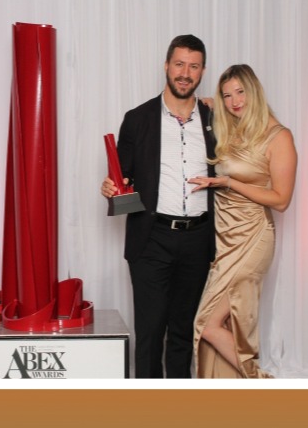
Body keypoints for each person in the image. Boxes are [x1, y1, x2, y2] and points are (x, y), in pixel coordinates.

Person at [100, 35, 217, 378]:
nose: (185, 73)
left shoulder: (215, 118)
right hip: (152, 239)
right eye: (179, 64)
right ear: (166, 66)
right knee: (150, 333)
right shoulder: (138, 119)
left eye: (193, 66)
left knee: (182, 331)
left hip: (198, 239)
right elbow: (122, 177)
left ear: (202, 71)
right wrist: (110, 187)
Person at [186, 64, 295, 378]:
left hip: (253, 237)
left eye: (240, 92)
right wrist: (209, 103)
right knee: (226, 320)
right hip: (224, 239)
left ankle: (263, 382)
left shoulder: (279, 137)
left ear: (254, 91)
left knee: (206, 323)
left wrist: (229, 183)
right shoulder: (233, 128)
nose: (234, 101)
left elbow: (281, 200)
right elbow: (209, 105)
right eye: (227, 95)